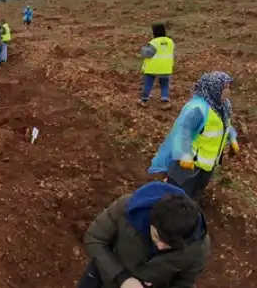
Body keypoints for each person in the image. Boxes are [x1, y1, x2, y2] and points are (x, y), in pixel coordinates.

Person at [77, 181, 210, 288]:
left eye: (171, 245)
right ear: (151, 220)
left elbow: (184, 282)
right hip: (102, 275)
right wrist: (122, 278)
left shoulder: (198, 248)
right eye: (157, 237)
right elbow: (95, 238)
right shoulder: (126, 209)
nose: (160, 247)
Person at [148, 72, 239, 199]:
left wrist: (232, 138)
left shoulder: (223, 107)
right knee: (177, 196)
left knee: (194, 195)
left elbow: (224, 125)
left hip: (208, 164)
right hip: (189, 165)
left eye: (229, 87)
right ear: (214, 88)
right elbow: (182, 132)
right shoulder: (198, 108)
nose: (228, 92)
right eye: (225, 88)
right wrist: (184, 155)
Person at [140, 24, 175, 107]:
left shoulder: (154, 42)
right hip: (166, 68)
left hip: (152, 68)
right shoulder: (170, 42)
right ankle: (165, 101)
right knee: (164, 85)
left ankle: (144, 100)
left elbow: (147, 54)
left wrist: (143, 49)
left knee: (148, 84)